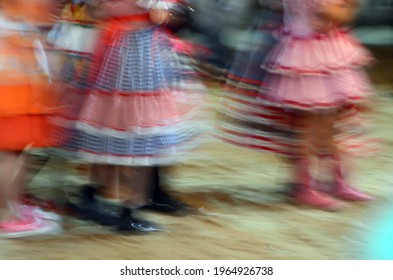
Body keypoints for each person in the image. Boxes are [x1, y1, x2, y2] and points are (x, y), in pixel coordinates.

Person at [50, 0, 207, 233]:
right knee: (140, 134)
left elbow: (97, 10)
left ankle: (94, 197)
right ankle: (129, 211)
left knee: (109, 126)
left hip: (111, 50)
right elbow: (158, 15)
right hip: (140, 52)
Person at [218, 0, 375, 211]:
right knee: (311, 127)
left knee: (326, 123)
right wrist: (350, 4)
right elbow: (334, 15)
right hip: (312, 54)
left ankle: (332, 182)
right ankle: (307, 186)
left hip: (320, 50)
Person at [0, 0, 62, 238]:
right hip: (8, 83)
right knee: (7, 153)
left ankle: (13, 207)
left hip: (18, 82)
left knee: (16, 151)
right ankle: (5, 214)